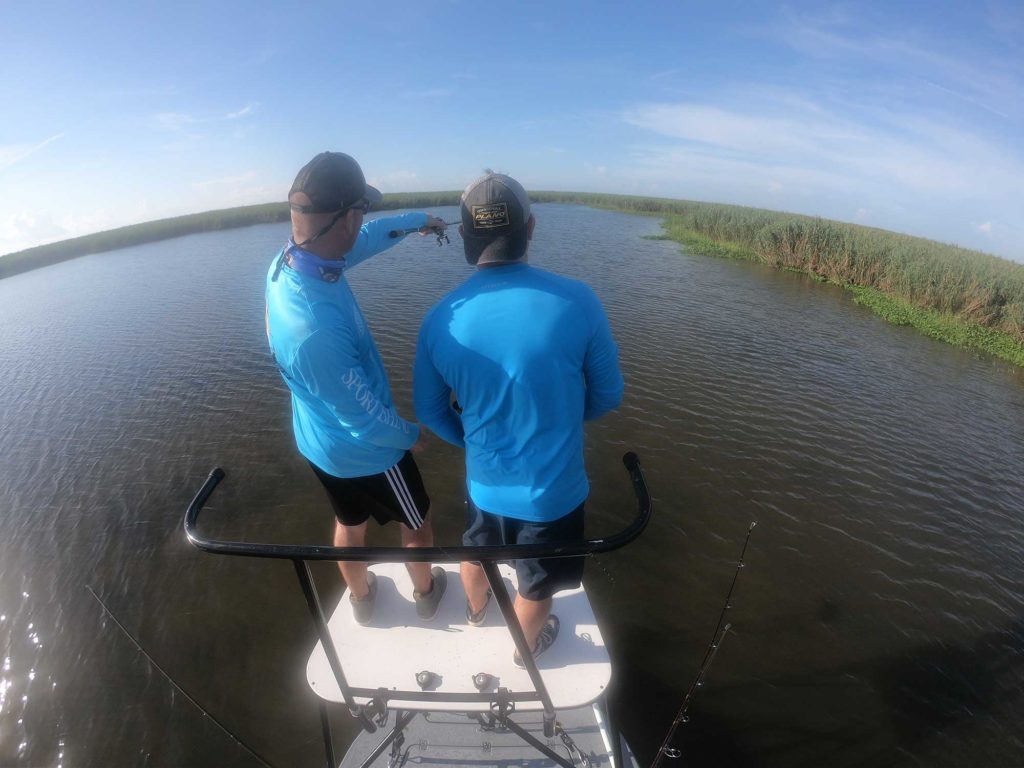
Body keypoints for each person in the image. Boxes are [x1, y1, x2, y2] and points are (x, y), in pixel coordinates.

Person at [413, 172, 624, 666]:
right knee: (538, 582)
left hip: (484, 484)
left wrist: (472, 441)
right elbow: (609, 396)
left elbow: (429, 410)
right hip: (553, 492)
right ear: (530, 227)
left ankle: (476, 613)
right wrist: (562, 420)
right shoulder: (579, 300)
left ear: (465, 236)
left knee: (476, 550)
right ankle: (524, 651)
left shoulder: (440, 317)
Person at [265, 151, 448, 625]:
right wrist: (410, 436)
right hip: (368, 450)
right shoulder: (314, 329)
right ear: (344, 217)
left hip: (318, 442)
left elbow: (363, 240)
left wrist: (418, 222)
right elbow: (365, 419)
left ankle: (363, 602)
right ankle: (427, 593)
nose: (364, 219)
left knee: (350, 522)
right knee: (417, 522)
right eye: (361, 209)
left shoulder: (292, 261)